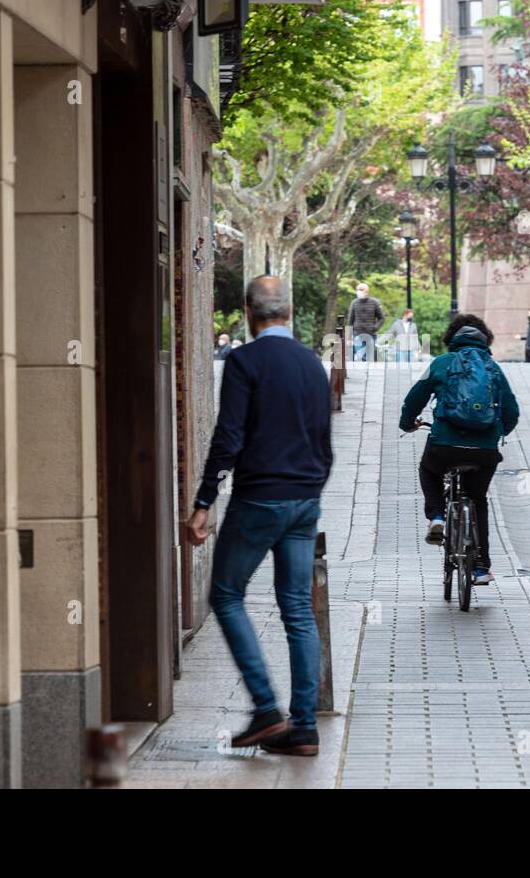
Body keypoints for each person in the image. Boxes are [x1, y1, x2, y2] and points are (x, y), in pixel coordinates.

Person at [185, 275, 333, 757]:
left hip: (259, 498)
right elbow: (323, 441)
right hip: (304, 499)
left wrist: (204, 502)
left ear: (249, 313)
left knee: (226, 595)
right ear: (289, 313)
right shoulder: (312, 364)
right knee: (296, 608)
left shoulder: (244, 361)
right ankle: (305, 728)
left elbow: (228, 438)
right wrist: (310, 488)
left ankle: (267, 709)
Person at [399, 314, 520, 585]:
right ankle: (479, 568)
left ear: (451, 339)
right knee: (477, 500)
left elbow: (414, 398)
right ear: (485, 339)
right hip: (484, 451)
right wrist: (495, 434)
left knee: (428, 470)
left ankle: (437, 516)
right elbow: (511, 411)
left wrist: (407, 424)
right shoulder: (494, 368)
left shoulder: (441, 363)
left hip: (445, 445)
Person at [346, 282, 384, 362]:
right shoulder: (354, 303)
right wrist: (348, 337)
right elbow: (350, 321)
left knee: (369, 359)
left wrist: (375, 328)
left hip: (371, 335)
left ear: (366, 291)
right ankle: (360, 373)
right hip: (357, 335)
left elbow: (382, 318)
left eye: (361, 290)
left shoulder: (374, 303)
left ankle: (368, 373)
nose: (358, 292)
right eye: (357, 290)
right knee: (360, 357)